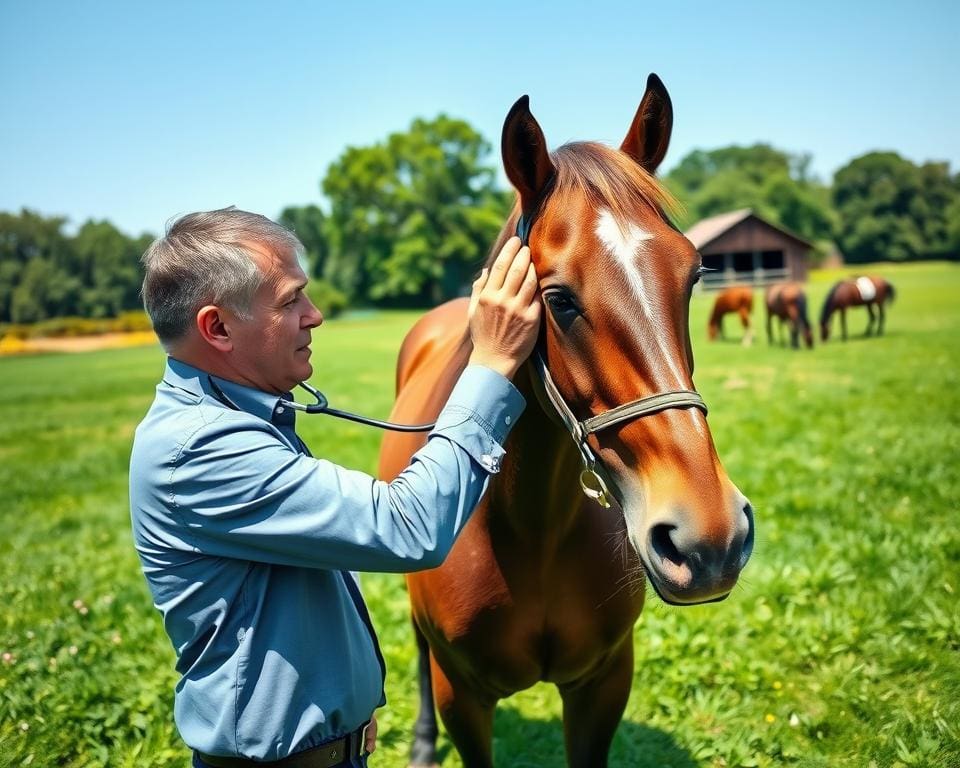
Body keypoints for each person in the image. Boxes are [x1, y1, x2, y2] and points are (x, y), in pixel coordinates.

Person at [128, 207, 541, 767]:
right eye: (289, 300)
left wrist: (335, 717)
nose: (314, 315)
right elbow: (405, 526)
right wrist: (491, 365)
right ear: (217, 327)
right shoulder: (201, 448)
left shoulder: (233, 415)